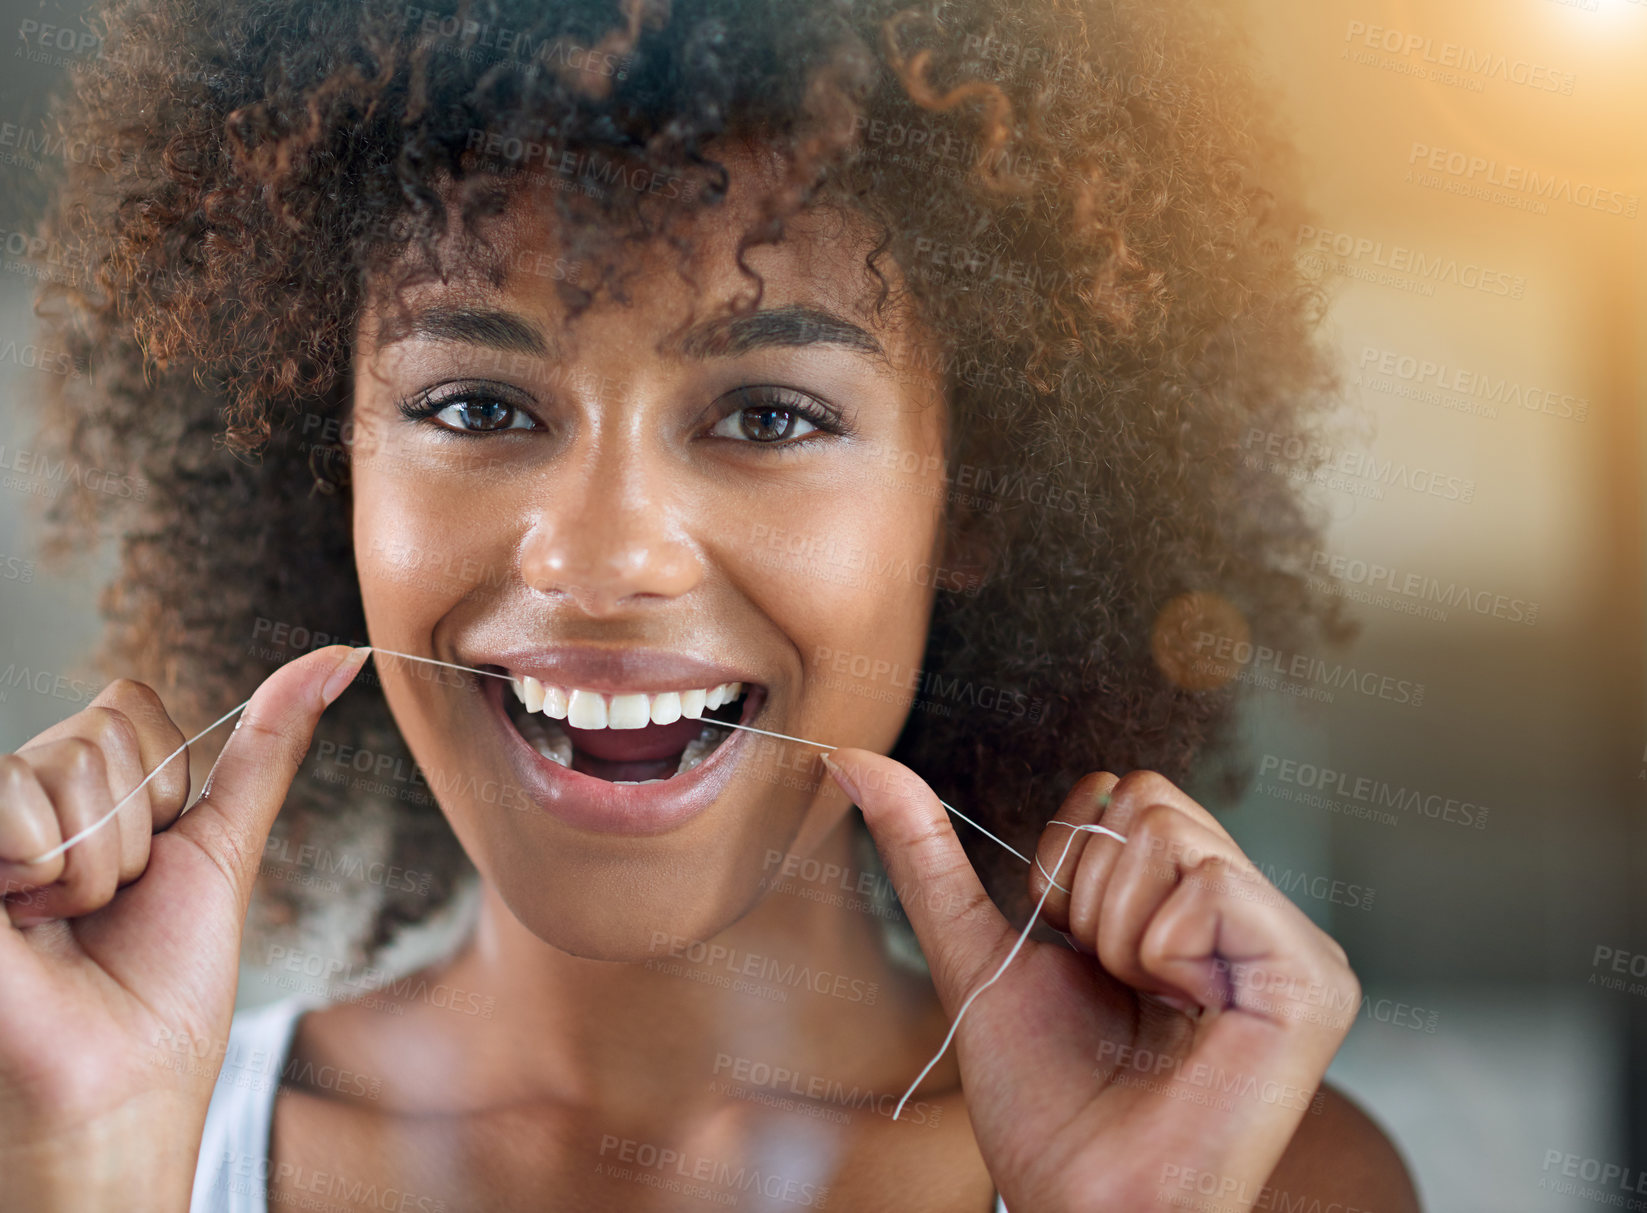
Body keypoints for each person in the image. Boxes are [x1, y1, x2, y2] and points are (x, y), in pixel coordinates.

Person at [0, 0, 1421, 1208]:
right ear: (333, 468)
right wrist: (85, 1169)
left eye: (768, 415)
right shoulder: (76, 1137)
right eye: (479, 403)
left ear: (975, 495)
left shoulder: (1263, 1181)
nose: (604, 559)